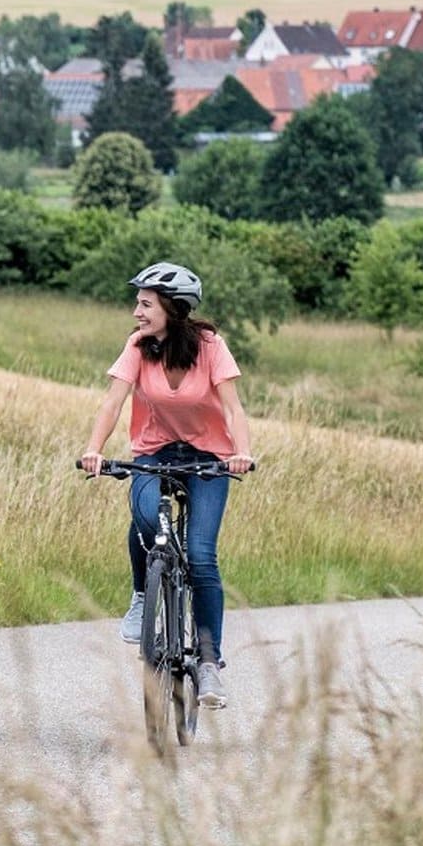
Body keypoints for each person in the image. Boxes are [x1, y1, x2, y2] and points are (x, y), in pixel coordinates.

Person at [79, 262, 254, 709]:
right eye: (137, 303)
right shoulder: (137, 347)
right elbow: (112, 401)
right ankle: (143, 594)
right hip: (154, 452)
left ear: (173, 309)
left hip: (209, 457)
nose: (136, 312)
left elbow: (232, 409)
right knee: (143, 519)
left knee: (200, 554)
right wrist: (94, 449)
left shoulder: (211, 347)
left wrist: (241, 451)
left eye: (145, 303)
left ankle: (210, 664)